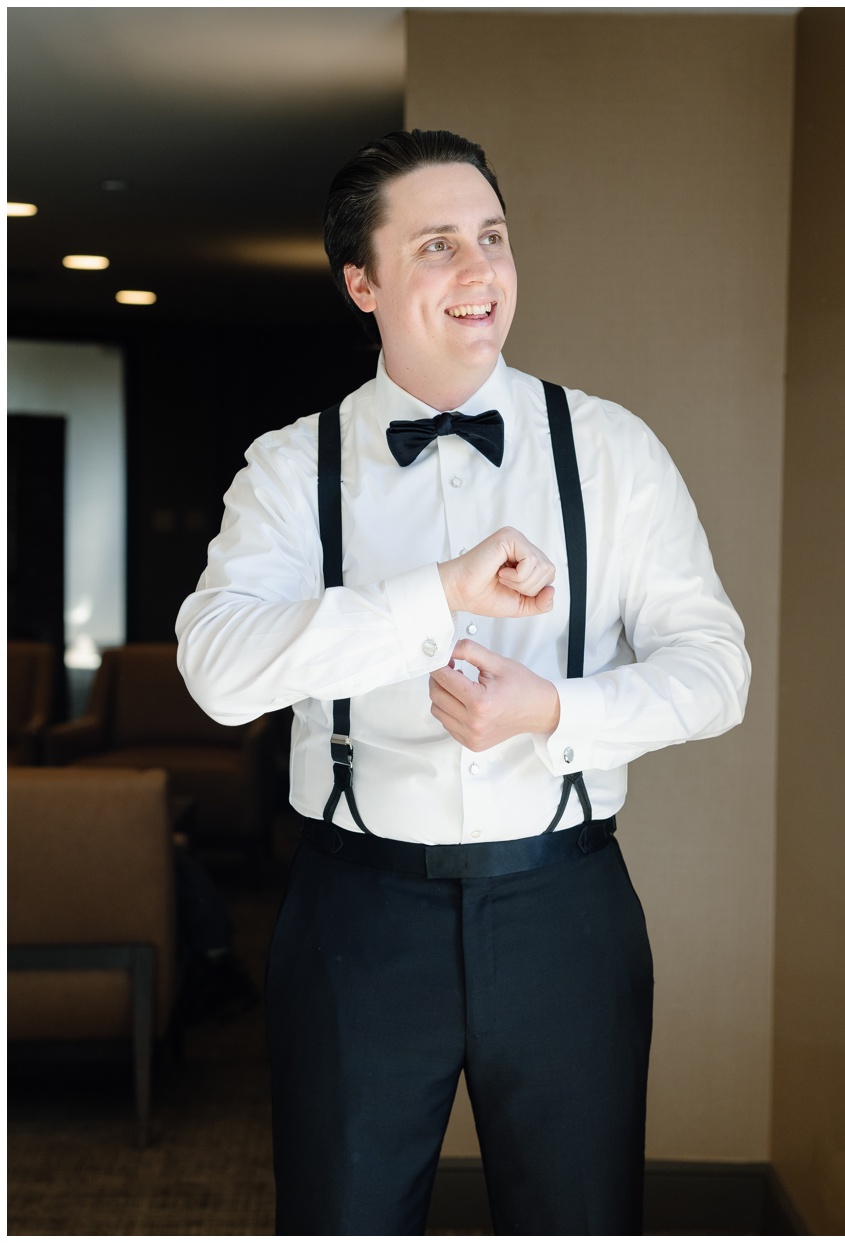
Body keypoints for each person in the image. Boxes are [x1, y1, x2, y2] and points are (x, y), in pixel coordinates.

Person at [177, 130, 750, 1234]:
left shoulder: (612, 450)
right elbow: (217, 669)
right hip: (354, 916)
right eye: (438, 246)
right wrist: (430, 595)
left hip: (564, 909)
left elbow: (716, 669)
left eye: (491, 238)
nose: (480, 273)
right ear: (363, 282)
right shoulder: (293, 469)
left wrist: (557, 711)